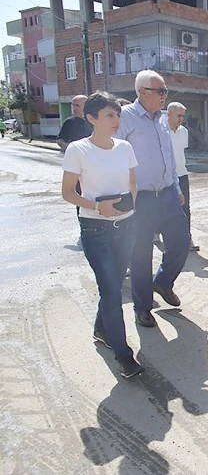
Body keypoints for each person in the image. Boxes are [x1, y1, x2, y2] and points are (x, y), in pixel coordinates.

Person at [60, 91, 143, 378]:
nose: (116, 120)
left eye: (117, 114)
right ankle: (123, 355)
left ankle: (101, 329)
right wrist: (98, 207)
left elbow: (132, 183)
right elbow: (68, 193)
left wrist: (130, 206)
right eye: (109, 115)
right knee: (111, 291)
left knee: (113, 285)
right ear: (91, 118)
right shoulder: (78, 150)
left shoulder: (125, 147)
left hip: (126, 227)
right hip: (96, 230)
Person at [115, 70, 190, 328]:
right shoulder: (125, 118)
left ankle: (163, 282)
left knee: (181, 242)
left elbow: (168, 155)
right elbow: (116, 158)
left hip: (167, 193)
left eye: (165, 91)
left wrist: (177, 187)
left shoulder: (162, 119)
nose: (164, 96)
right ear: (142, 92)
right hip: (141, 198)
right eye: (160, 91)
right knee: (140, 254)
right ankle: (143, 307)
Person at [166, 101, 198, 252]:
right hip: (165, 176)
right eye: (178, 116)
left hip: (182, 174)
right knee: (165, 208)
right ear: (169, 114)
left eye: (183, 116)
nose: (181, 119)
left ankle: (187, 238)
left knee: (185, 208)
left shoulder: (183, 131)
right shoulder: (161, 131)